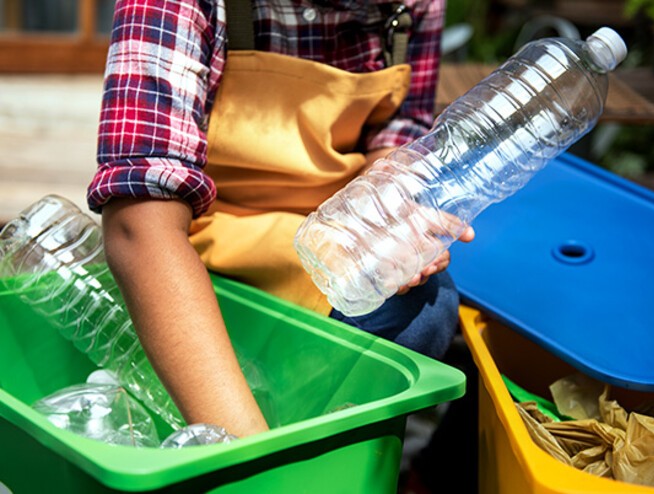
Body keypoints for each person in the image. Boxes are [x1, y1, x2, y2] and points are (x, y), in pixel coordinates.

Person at [87, 0, 474, 438]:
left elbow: (399, 129)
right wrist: (247, 454)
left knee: (424, 307)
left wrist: (386, 215)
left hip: (327, 237)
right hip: (203, 241)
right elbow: (139, 224)